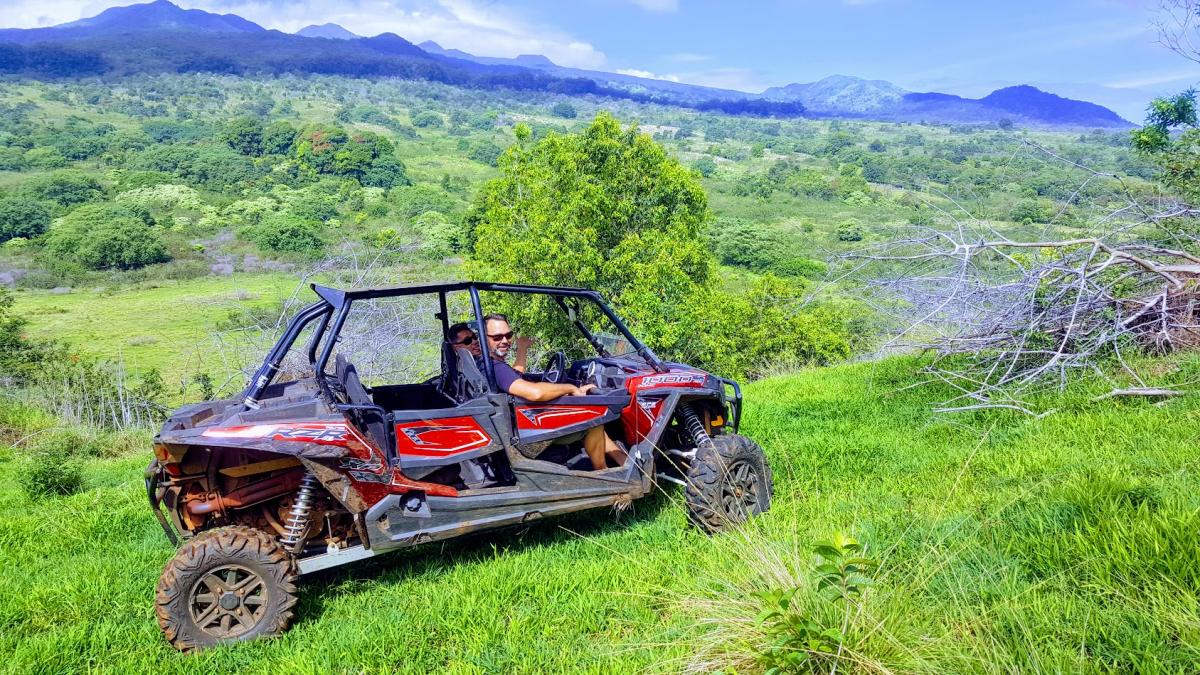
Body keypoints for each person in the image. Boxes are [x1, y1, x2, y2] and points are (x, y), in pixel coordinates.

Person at [481, 313, 627, 471]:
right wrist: (571, 388)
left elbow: (516, 375)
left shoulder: (491, 364)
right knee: (594, 419)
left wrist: (522, 348)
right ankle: (604, 473)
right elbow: (535, 393)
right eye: (497, 337)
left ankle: (623, 461)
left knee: (589, 413)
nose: (504, 341)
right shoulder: (494, 368)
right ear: (483, 337)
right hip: (525, 435)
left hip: (519, 423)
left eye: (508, 335)